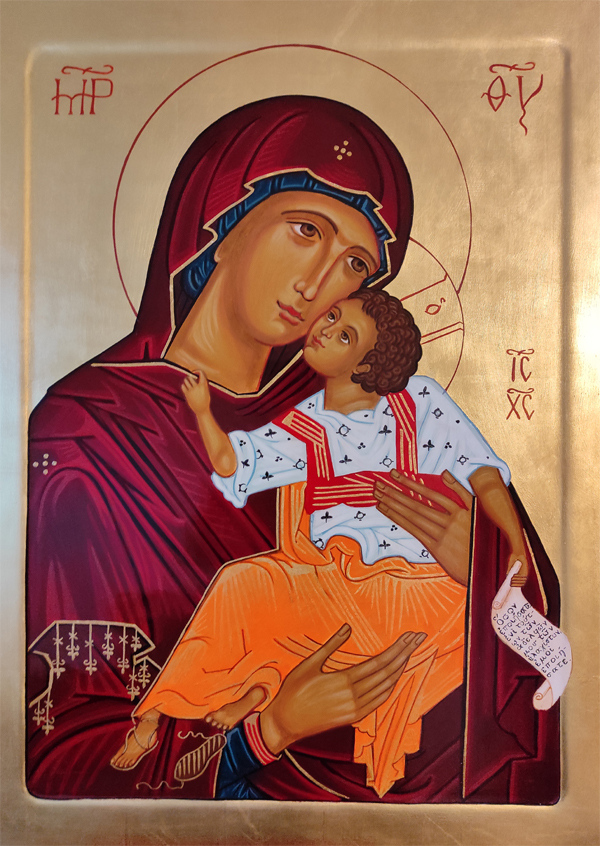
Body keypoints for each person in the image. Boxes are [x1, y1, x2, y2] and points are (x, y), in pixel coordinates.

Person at [27, 96, 560, 802]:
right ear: (221, 224)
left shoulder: (374, 397)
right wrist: (268, 731)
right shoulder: (87, 432)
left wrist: (483, 569)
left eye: (353, 264)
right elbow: (60, 744)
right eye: (306, 229)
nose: (316, 285)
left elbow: (535, 669)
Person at [111, 290, 530, 797]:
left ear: (367, 364)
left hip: (420, 591)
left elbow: (483, 475)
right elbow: (232, 463)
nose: (325, 329)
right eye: (331, 316)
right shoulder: (304, 426)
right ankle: (156, 717)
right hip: (336, 585)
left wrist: (510, 547)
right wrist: (202, 411)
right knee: (242, 582)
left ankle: (258, 692)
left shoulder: (419, 403)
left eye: (345, 335)